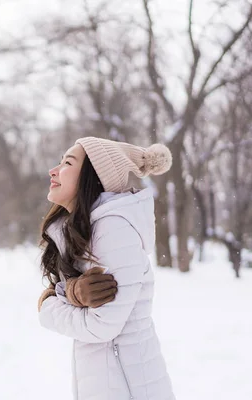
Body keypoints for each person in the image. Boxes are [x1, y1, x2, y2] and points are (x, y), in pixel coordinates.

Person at [37, 136, 176, 400]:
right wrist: (71, 292)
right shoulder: (86, 230)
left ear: (93, 175)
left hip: (128, 385)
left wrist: (49, 305)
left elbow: (101, 327)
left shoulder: (113, 228)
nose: (53, 171)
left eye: (67, 163)